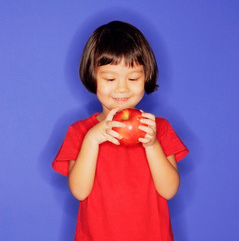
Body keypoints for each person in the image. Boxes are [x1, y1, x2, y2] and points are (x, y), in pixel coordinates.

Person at [52, 20, 189, 241]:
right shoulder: (80, 131)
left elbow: (169, 190)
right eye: (110, 78)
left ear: (146, 77)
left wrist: (152, 145)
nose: (122, 88)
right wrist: (92, 139)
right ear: (93, 76)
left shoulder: (158, 128)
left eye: (133, 78)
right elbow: (79, 191)